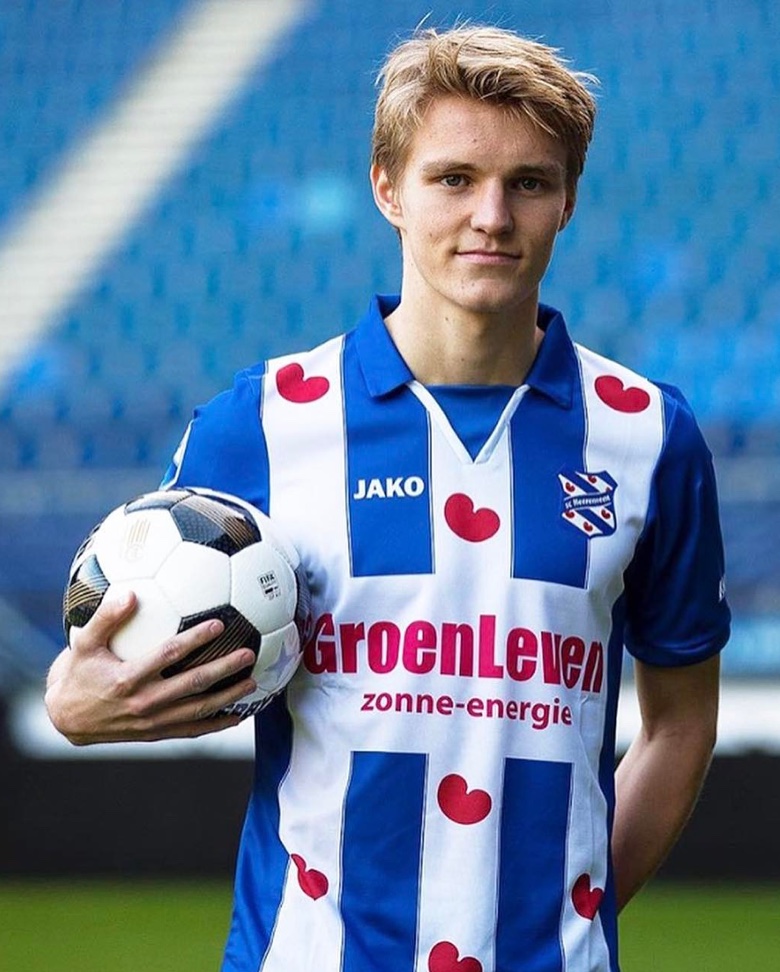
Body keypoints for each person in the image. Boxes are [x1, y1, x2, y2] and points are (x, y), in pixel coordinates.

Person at [45, 24, 730, 972]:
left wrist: (581, 912)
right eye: (453, 178)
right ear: (388, 189)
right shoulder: (263, 423)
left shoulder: (650, 438)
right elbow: (110, 652)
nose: (491, 214)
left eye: (528, 182)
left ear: (567, 200)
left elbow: (682, 718)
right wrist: (74, 705)